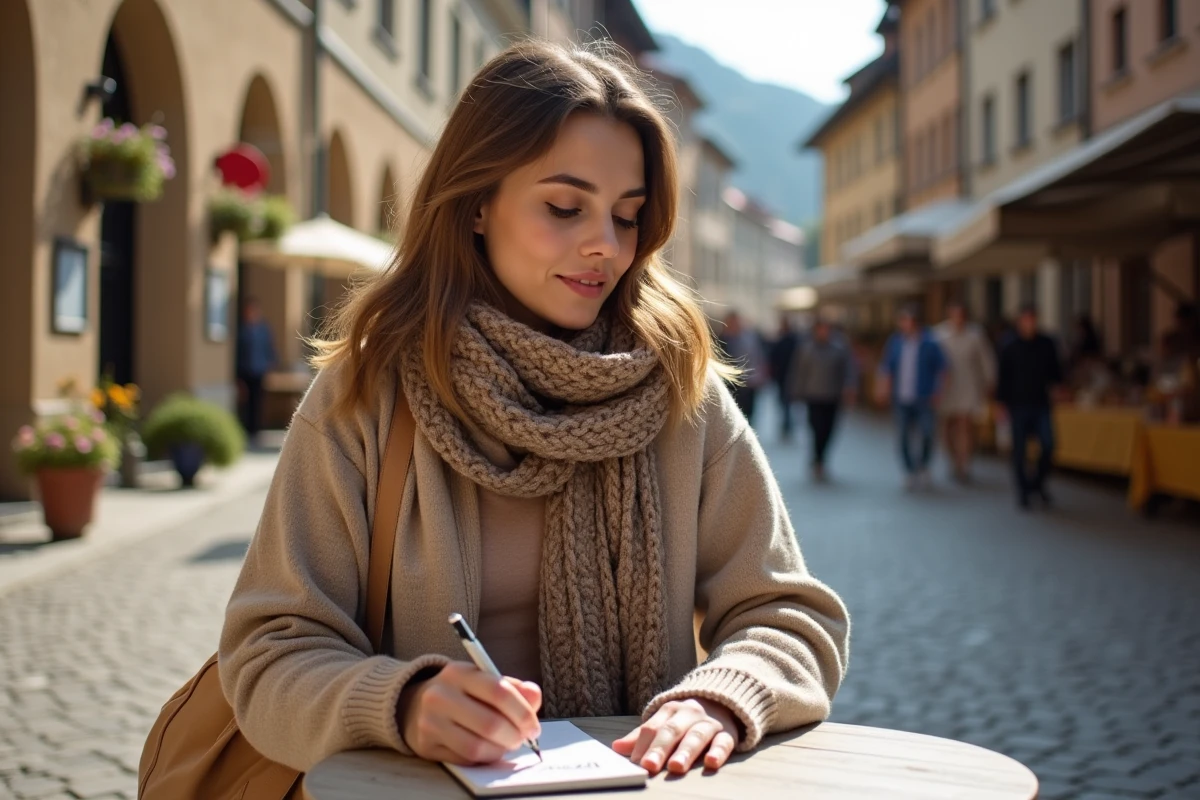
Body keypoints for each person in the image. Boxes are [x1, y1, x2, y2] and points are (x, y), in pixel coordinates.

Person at [216, 41, 848, 782]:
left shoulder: (679, 389)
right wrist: (404, 703)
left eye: (627, 216)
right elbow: (270, 651)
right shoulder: (369, 391)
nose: (604, 246)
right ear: (477, 203)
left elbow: (789, 618)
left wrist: (722, 696)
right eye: (564, 207)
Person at [996, 305, 1063, 509]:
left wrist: (1058, 388)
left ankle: (1037, 484)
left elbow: (1056, 371)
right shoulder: (1009, 345)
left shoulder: (1046, 343)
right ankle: (1023, 491)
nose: (1029, 324)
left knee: (1048, 445)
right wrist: (1001, 404)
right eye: (1025, 320)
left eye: (1032, 319)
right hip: (1017, 405)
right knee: (1019, 450)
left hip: (1041, 403)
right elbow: (1003, 377)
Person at [876, 307, 946, 489]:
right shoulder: (896, 342)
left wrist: (938, 391)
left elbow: (942, 368)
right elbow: (887, 367)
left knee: (927, 433)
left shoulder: (930, 342)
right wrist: (883, 389)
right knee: (903, 435)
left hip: (924, 396)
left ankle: (923, 465)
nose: (904, 325)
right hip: (901, 397)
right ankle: (909, 470)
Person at [933, 301, 996, 483]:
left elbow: (986, 360)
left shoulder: (975, 335)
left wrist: (989, 380)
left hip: (969, 385)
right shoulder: (938, 334)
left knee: (965, 425)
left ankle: (964, 463)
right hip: (946, 387)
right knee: (948, 426)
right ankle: (953, 459)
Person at [788, 318, 856, 481]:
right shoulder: (807, 349)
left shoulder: (839, 348)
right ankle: (817, 459)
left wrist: (849, 388)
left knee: (829, 429)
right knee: (816, 428)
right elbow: (799, 372)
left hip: (832, 396)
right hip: (813, 396)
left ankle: (820, 458)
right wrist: (796, 392)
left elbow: (848, 370)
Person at [236, 297, 277, 441]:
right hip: (245, 371)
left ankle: (255, 429)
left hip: (259, 370)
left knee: (257, 400)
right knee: (245, 402)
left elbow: (269, 348)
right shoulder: (241, 330)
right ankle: (246, 429)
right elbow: (237, 353)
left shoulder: (263, 329)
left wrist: (271, 364)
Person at [718, 310, 769, 425]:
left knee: (748, 411)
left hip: (748, 381)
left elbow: (756, 357)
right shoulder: (721, 340)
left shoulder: (748, 339)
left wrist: (758, 375)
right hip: (730, 383)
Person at [768, 314, 802, 441]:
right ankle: (787, 425)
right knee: (786, 403)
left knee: (785, 403)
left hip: (786, 376)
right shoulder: (792, 341)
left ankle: (787, 425)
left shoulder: (786, 341)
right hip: (786, 376)